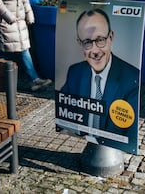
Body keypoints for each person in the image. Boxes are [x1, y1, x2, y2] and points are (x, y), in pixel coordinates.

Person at [59, 8, 139, 148]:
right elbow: (63, 113)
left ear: (111, 37)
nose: (95, 50)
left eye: (100, 40)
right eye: (87, 42)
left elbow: (129, 137)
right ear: (80, 43)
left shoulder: (131, 78)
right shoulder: (75, 72)